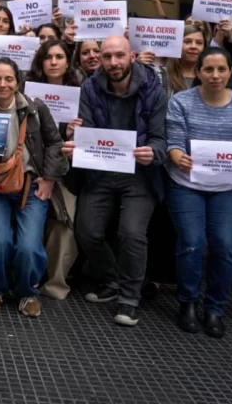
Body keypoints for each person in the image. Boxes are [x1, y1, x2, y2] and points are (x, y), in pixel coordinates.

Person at [165, 47, 232, 338]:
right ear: (197, 72)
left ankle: (215, 308)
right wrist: (175, 154)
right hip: (187, 183)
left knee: (225, 246)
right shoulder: (181, 101)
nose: (215, 75)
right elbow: (174, 141)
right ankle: (188, 303)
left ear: (230, 71)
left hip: (227, 187)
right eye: (208, 69)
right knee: (192, 244)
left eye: (222, 69)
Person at [67, 35, 166, 327]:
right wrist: (77, 142)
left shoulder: (155, 91)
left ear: (132, 57)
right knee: (86, 231)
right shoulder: (89, 87)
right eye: (107, 56)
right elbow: (86, 130)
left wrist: (154, 153)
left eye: (119, 56)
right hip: (100, 169)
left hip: (140, 174)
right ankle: (112, 280)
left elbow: (161, 138)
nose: (113, 62)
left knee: (132, 233)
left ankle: (129, 298)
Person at [0, 57, 64, 317]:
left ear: (18, 82)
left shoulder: (35, 108)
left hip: (32, 188)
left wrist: (49, 178)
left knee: (29, 246)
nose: (3, 84)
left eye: (8, 79)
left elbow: (55, 144)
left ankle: (27, 291)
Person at [24, 38, 83, 299]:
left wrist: (73, 133)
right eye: (49, 57)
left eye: (59, 57)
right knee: (33, 226)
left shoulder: (81, 92)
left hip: (67, 170)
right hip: (34, 167)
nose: (54, 62)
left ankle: (56, 284)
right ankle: (29, 278)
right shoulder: (27, 93)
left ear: (68, 61)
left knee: (64, 226)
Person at [158, 24, 207, 94]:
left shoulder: (209, 76)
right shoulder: (160, 75)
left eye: (199, 43)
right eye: (187, 42)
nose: (193, 46)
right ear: (177, 44)